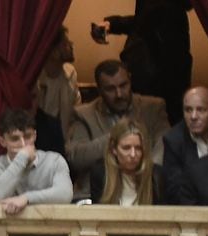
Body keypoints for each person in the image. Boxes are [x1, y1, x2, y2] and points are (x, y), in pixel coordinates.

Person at [66, 60, 168, 199]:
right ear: (99, 89)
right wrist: (116, 138)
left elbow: (164, 148)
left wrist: (143, 175)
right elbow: (76, 157)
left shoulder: (153, 108)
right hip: (94, 194)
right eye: (110, 89)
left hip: (143, 192)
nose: (119, 94)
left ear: (130, 80)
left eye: (123, 85)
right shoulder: (83, 114)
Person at [91, 0, 193, 118]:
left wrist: (113, 24)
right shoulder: (172, 9)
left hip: (154, 74)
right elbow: (148, 19)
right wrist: (112, 24)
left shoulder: (166, 9)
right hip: (162, 73)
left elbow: (148, 19)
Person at [0, 108, 73, 216]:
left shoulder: (54, 161)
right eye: (15, 139)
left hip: (49, 227)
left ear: (35, 135)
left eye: (28, 136)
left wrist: (26, 198)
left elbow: (65, 194)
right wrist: (21, 159)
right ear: (2, 141)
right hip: (9, 229)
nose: (23, 144)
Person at [161, 87, 208, 205]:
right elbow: (175, 190)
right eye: (188, 110)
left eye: (201, 110)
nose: (193, 116)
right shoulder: (173, 140)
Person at [89, 119, 161, 206]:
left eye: (138, 148)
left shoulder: (156, 175)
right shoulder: (101, 173)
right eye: (126, 148)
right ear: (113, 149)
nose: (133, 154)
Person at [32, 27, 79, 153]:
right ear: (52, 51)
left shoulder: (70, 73)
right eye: (65, 43)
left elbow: (75, 112)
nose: (71, 45)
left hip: (63, 145)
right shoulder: (35, 78)